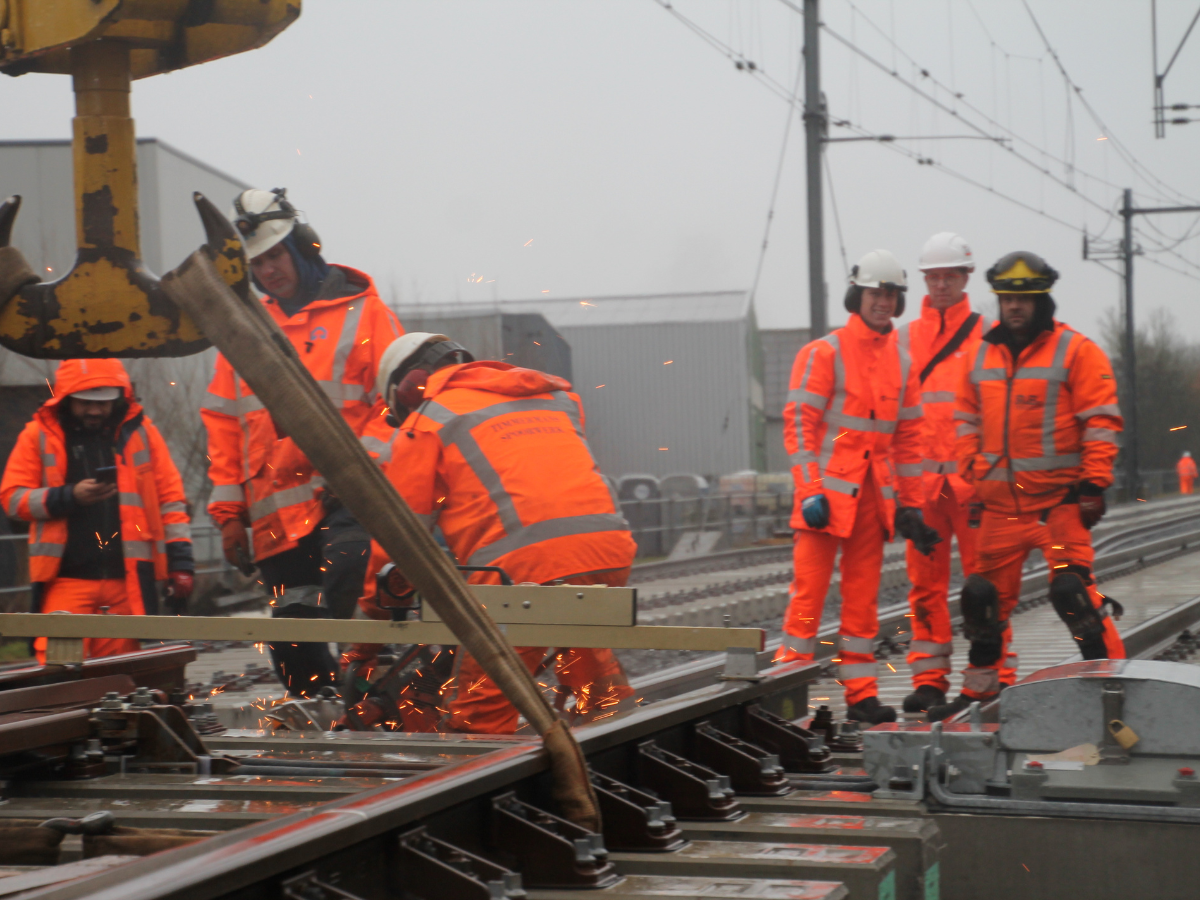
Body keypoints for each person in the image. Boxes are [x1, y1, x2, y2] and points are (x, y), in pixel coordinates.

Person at [349, 332, 638, 733]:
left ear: (410, 387)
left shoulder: (426, 420)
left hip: (521, 580)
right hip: (610, 556)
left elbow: (399, 542)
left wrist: (364, 642)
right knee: (575, 640)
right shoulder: (553, 398)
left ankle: (474, 767)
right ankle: (611, 730)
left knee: (478, 716)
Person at [201, 188, 402, 696]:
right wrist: (228, 514)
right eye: (258, 262)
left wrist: (362, 474)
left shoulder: (365, 314)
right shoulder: (245, 327)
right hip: (277, 519)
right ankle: (323, 729)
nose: (268, 270)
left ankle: (380, 715)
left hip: (352, 503)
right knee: (295, 644)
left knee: (359, 607)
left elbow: (398, 405)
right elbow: (224, 423)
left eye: (275, 255)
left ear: (304, 246)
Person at [937, 251, 1126, 721]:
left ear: (1043, 298)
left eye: (1024, 298)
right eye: (1007, 298)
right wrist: (971, 468)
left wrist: (1093, 484)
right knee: (982, 602)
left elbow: (1101, 421)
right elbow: (963, 417)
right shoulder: (980, 356)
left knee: (1074, 594)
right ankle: (980, 694)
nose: (1015, 306)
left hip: (1059, 507)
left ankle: (1114, 682)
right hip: (1000, 509)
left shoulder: (1078, 352)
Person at [779, 250, 939, 725]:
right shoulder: (823, 353)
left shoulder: (903, 363)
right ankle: (787, 691)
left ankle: (861, 695)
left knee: (862, 605)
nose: (884, 302)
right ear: (858, 295)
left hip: (873, 502)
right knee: (807, 598)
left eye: (891, 294)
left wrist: (911, 507)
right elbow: (799, 424)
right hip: (825, 500)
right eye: (876, 292)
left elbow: (909, 441)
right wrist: (809, 489)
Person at [1, 359, 194, 662]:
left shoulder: (142, 432)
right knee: (58, 669)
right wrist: (70, 496)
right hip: (66, 580)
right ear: (66, 398)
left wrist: (181, 564)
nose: (95, 411)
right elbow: (12, 499)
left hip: (125, 583)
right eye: (86, 403)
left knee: (115, 678)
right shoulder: (38, 435)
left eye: (103, 403)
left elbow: (172, 501)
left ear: (118, 398)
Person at [894, 233, 986, 716]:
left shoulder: (987, 334)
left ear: (966, 276)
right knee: (925, 587)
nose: (943, 283)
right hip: (925, 489)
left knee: (985, 586)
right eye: (935, 276)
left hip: (973, 489)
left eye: (951, 275)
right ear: (925, 281)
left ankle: (990, 677)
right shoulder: (905, 338)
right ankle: (929, 680)